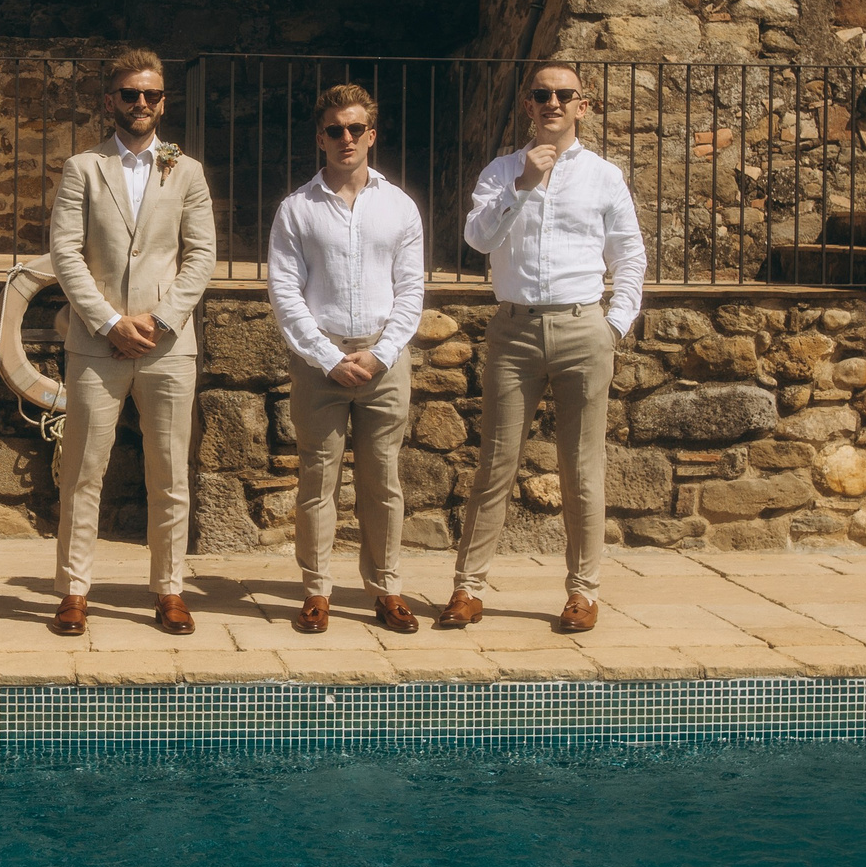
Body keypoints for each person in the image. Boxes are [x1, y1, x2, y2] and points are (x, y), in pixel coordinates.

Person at [440, 62, 645, 635]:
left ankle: (583, 593)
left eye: (564, 94)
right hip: (514, 330)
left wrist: (615, 325)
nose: (552, 102)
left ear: (583, 105)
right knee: (495, 466)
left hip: (584, 329)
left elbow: (629, 255)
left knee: (582, 470)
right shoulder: (502, 171)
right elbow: (477, 238)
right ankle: (468, 587)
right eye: (541, 94)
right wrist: (522, 185)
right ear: (528, 106)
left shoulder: (605, 177)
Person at [46, 48, 217, 635]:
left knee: (169, 472)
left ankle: (169, 587)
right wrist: (109, 322)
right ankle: (73, 587)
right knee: (83, 471)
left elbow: (200, 255)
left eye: (150, 95)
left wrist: (161, 320)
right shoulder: (82, 168)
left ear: (164, 101)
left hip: (169, 346)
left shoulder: (187, 171)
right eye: (128, 94)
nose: (140, 103)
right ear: (109, 100)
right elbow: (65, 253)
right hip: (98, 345)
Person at [265, 83, 425, 636]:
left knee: (384, 481)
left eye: (356, 128)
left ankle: (386, 589)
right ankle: (316, 592)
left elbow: (411, 291)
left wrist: (380, 355)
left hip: (385, 357)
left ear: (372, 134)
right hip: (320, 362)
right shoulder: (296, 210)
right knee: (318, 481)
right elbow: (285, 294)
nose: (346, 138)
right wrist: (328, 357)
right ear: (321, 138)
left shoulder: (400, 206)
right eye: (335, 130)